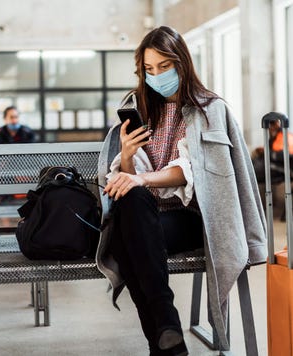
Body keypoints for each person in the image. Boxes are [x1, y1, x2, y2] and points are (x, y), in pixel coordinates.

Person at [96, 26, 267, 356]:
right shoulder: (143, 109)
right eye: (148, 69)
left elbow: (195, 173)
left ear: (181, 64)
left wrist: (142, 180)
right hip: (146, 216)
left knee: (126, 238)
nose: (156, 75)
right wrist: (128, 157)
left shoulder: (208, 109)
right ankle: (168, 331)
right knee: (130, 217)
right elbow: (130, 182)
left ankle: (164, 331)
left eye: (163, 66)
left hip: (191, 218)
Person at [252, 119, 293, 184]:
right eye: (270, 125)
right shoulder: (274, 137)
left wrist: (266, 152)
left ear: (278, 123)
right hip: (276, 164)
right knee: (253, 163)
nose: (270, 127)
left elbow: (284, 156)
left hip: (284, 167)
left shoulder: (285, 136)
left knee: (255, 170)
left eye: (272, 124)